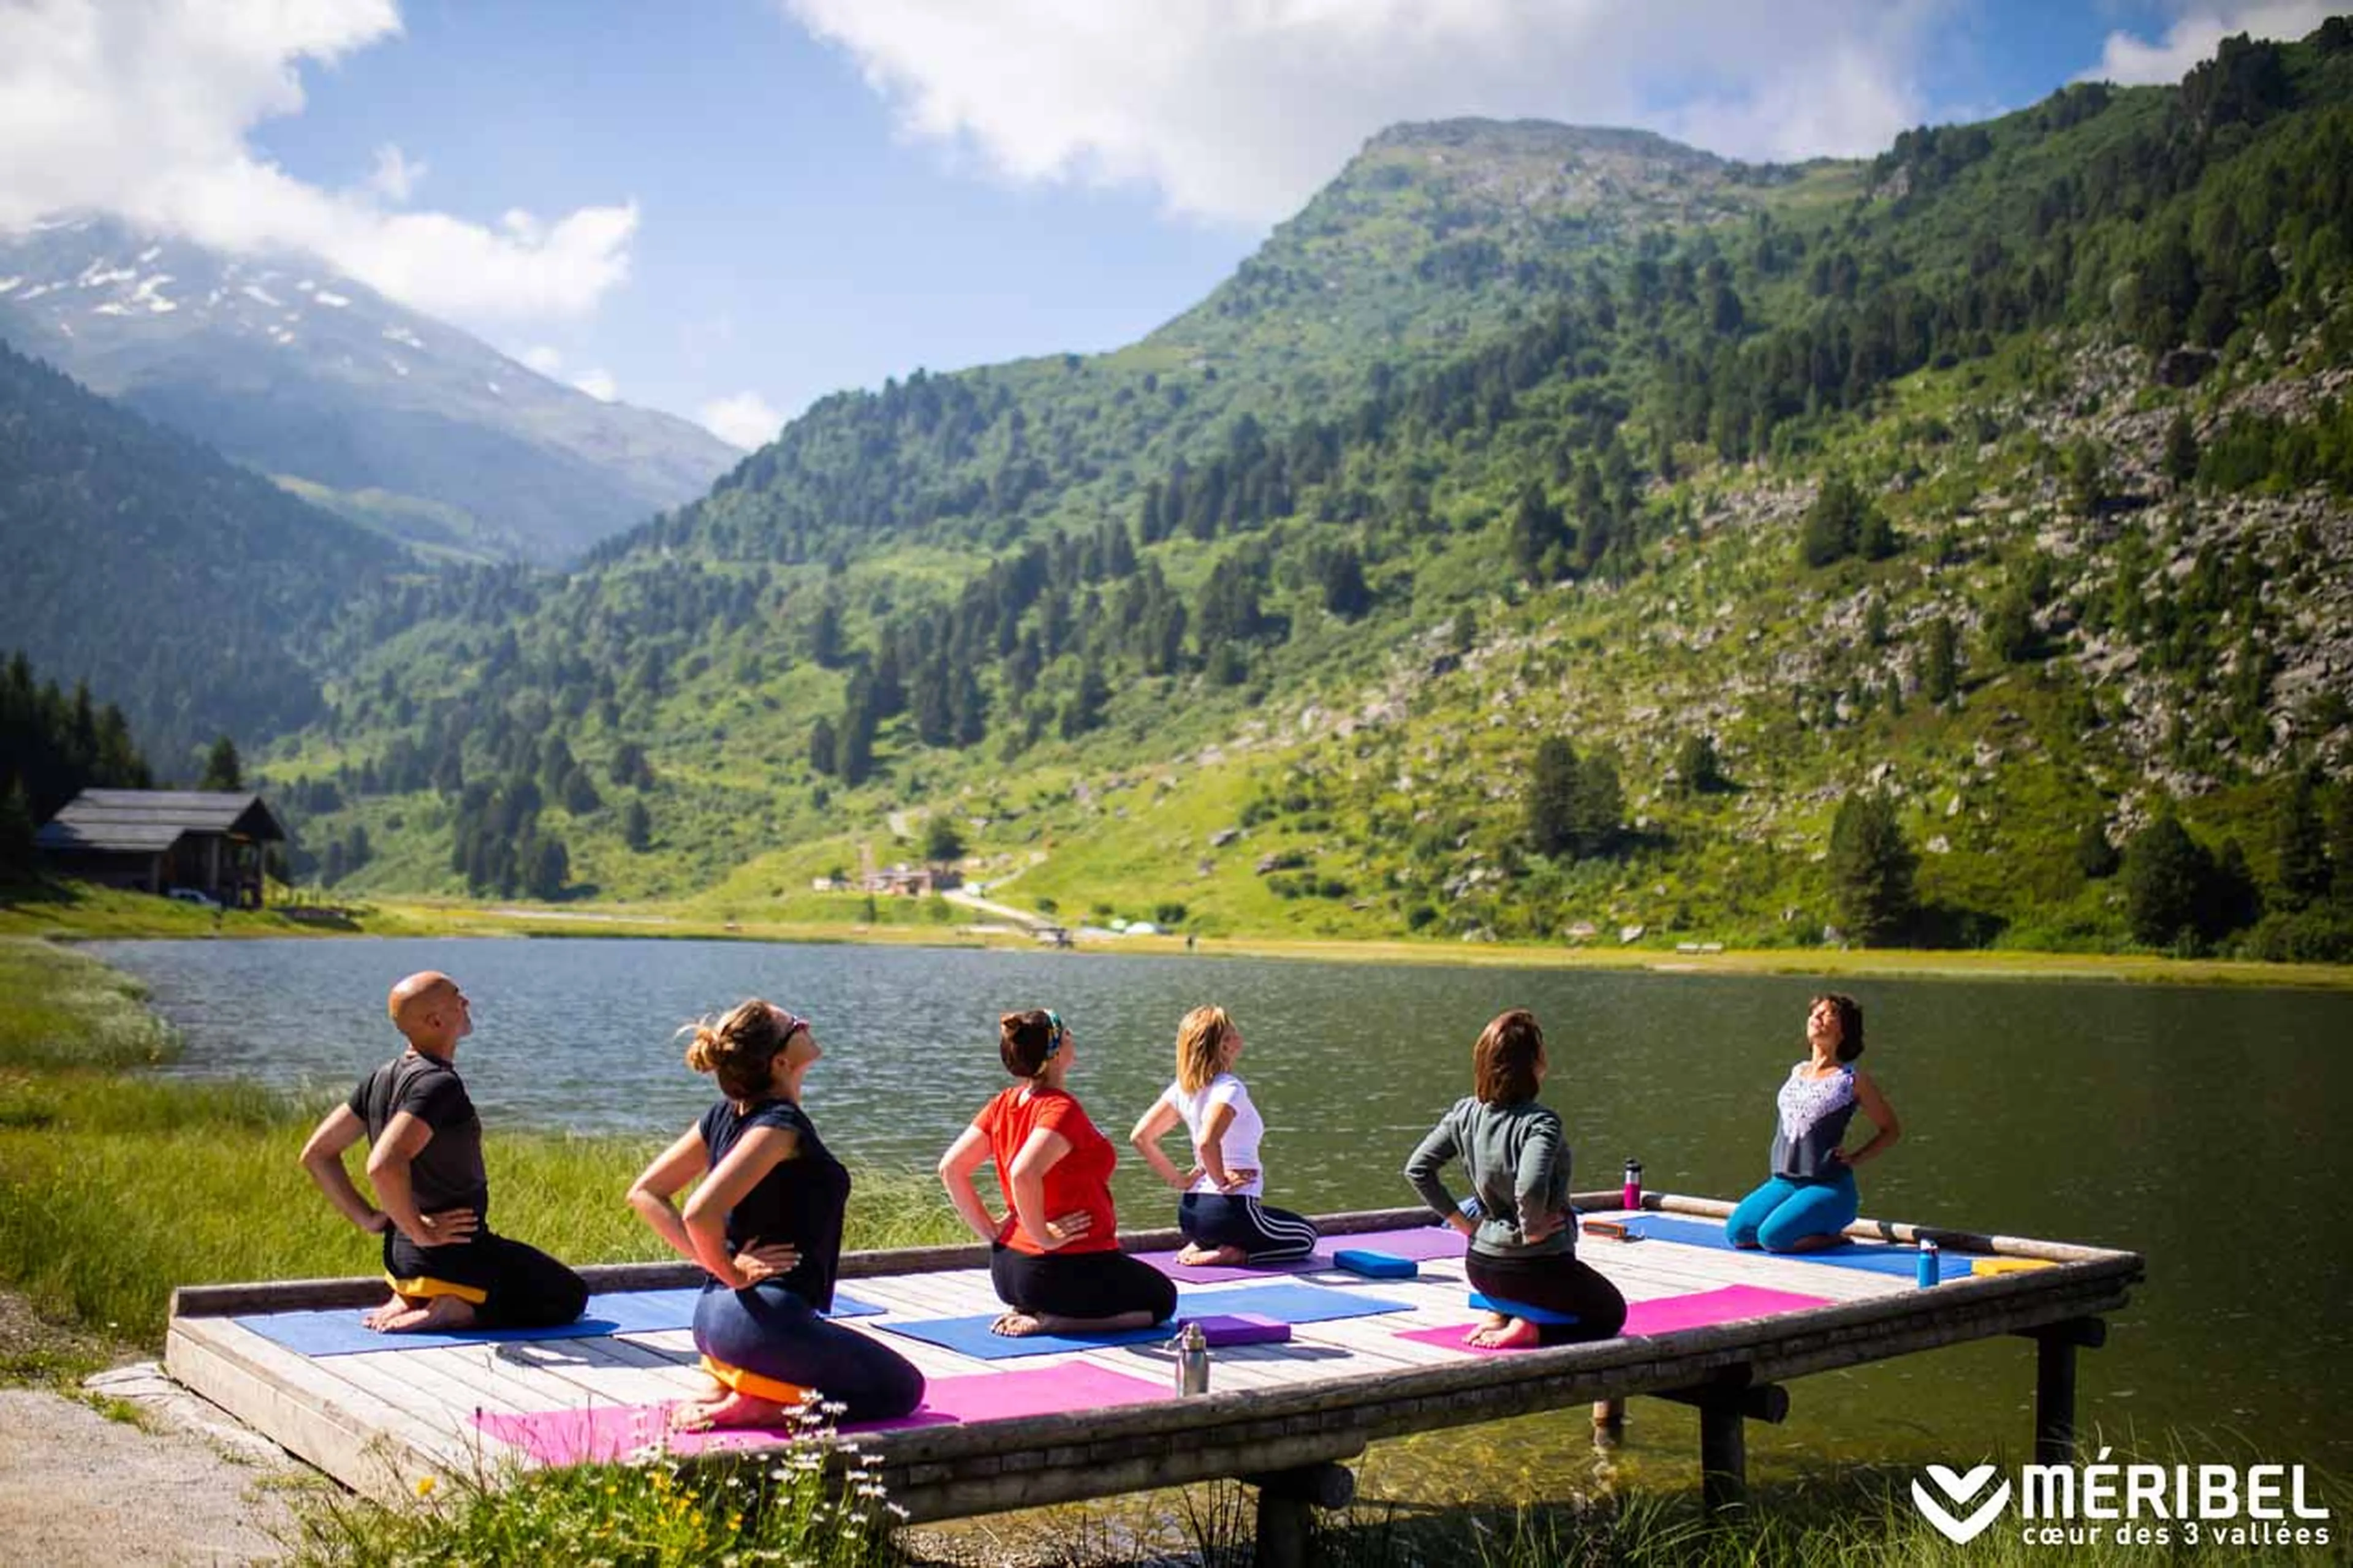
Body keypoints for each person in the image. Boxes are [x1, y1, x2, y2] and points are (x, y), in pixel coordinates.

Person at [626, 1000, 923, 1430]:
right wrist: (730, 1269)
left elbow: (646, 1192)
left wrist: (716, 1267)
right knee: (903, 1388)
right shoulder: (780, 1125)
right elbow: (699, 1211)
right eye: (796, 1024)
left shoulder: (723, 1116)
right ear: (781, 1062)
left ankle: (733, 1384)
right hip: (761, 1326)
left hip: (713, 1320)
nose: (808, 1023)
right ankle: (764, 1406)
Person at [297, 971, 587, 1334]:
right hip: (454, 1255)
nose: (466, 1002)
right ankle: (456, 1308)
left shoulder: (381, 1077)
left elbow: (317, 1154)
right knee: (569, 1295)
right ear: (436, 1021)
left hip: (402, 1260)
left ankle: (410, 1296)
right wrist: (420, 1231)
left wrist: (371, 1219)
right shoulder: (439, 1084)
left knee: (521, 1270)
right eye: (456, 998)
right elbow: (384, 1164)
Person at [939, 1009, 1178, 1337]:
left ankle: (1036, 1307)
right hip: (1060, 1268)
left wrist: (993, 1233)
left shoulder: (1004, 1103)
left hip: (1009, 1270)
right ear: (1053, 1055)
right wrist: (1044, 1237)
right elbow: (1023, 1173)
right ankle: (1056, 1321)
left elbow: (951, 1168)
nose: (1072, 1037)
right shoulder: (1060, 1109)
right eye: (1066, 1034)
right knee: (1163, 1300)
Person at [1404, 1009, 1626, 1350]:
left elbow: (1418, 1169)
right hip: (1535, 1267)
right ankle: (1532, 1330)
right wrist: (1532, 1229)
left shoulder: (1465, 1112)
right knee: (1610, 1313)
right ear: (1534, 1063)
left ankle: (1501, 1313)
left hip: (1481, 1267)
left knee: (1532, 1287)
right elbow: (1530, 1185)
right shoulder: (1541, 1122)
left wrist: (1465, 1226)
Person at [1129, 1005, 1318, 1267]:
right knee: (1306, 1236)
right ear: (1224, 1045)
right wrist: (1222, 1182)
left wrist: (1180, 1181)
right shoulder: (1229, 1088)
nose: (1241, 1037)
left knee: (1285, 1220)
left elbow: (1141, 1137)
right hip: (1231, 1211)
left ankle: (1205, 1242)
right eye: (1234, 1032)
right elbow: (1207, 1142)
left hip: (1191, 1213)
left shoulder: (1182, 1089)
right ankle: (1234, 1254)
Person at [1725, 993, 1901, 1254]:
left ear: (1844, 1031)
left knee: (1773, 1238)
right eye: (1814, 1012)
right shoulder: (1798, 1072)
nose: (1817, 1016)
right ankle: (1799, 1224)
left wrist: (1855, 1158)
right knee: (1738, 1234)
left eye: (1828, 1013)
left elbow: (1890, 1130)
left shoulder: (1851, 1079)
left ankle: (1834, 1237)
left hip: (1827, 1185)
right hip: (1783, 1182)